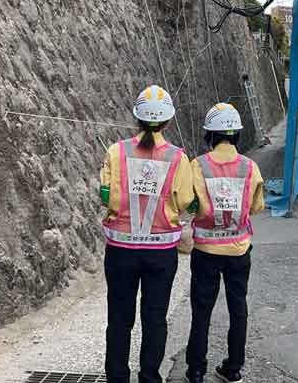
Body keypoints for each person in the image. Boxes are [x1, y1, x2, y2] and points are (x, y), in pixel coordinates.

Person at [100, 85, 195, 383]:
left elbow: (106, 196)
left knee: (119, 320)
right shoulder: (178, 158)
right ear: (167, 121)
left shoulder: (117, 152)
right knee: (154, 320)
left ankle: (117, 378)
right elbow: (183, 201)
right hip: (161, 254)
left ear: (136, 118)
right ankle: (150, 378)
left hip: (120, 252)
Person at [185, 103, 265, 383]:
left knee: (201, 311)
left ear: (210, 135)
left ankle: (196, 371)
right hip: (239, 249)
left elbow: (187, 202)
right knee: (238, 308)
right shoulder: (249, 167)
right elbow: (256, 206)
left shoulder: (198, 165)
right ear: (236, 135)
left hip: (205, 250)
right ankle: (233, 369)